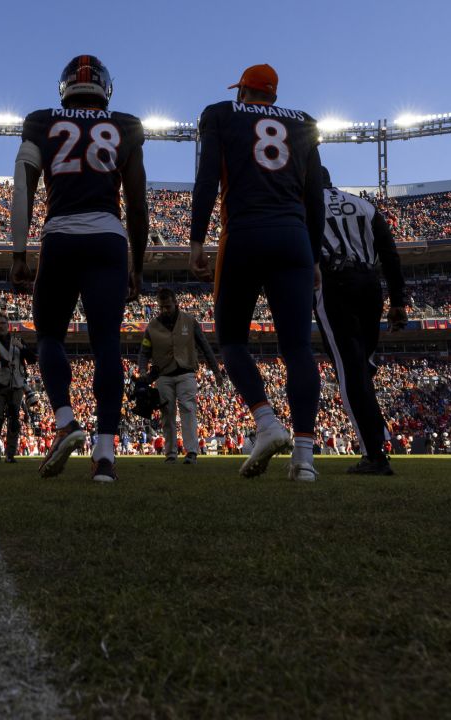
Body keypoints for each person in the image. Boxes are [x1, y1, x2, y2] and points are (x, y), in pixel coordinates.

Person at [8, 54, 148, 483]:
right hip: (108, 238)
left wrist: (18, 251)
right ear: (105, 89)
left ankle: (67, 421)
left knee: (50, 335)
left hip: (62, 236)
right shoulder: (124, 125)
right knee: (107, 344)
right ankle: (105, 456)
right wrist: (136, 265)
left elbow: (22, 183)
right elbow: (138, 204)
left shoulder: (40, 122)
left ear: (64, 87)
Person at [189, 63, 325, 481]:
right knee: (298, 348)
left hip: (245, 233)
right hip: (294, 237)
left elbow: (208, 177)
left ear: (243, 92)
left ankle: (267, 423)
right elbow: (314, 194)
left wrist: (197, 239)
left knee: (231, 341)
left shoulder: (222, 114)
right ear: (274, 97)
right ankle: (304, 456)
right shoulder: (302, 124)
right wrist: (315, 255)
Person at [311, 166, 407, 475]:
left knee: (350, 371)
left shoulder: (305, 203)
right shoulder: (363, 204)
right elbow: (390, 255)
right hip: (370, 285)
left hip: (335, 284)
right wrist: (398, 302)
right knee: (361, 368)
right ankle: (377, 442)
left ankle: (374, 454)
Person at [137, 288, 224, 464]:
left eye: (167, 306)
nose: (164, 310)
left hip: (186, 372)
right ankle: (170, 453)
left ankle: (191, 451)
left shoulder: (190, 321)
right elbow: (143, 352)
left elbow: (205, 347)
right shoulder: (152, 327)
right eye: (161, 307)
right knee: (167, 413)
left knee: (188, 409)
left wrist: (216, 371)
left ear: (175, 303)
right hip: (163, 375)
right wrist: (143, 371)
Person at [0, 311, 36, 463]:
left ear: (7, 324)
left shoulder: (18, 340)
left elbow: (32, 359)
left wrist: (21, 347)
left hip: (16, 384)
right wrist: (4, 361)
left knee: (14, 418)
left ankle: (10, 453)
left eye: (2, 323)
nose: (0, 326)